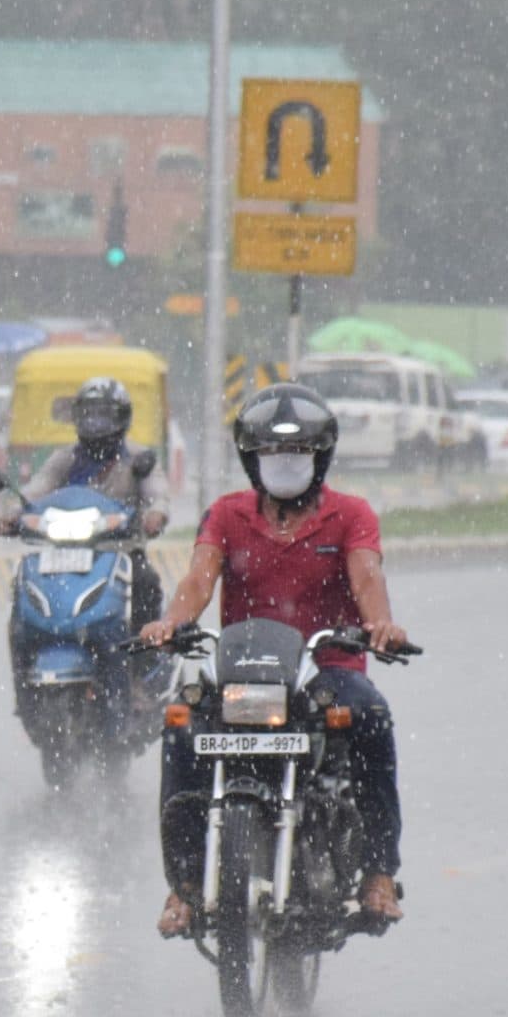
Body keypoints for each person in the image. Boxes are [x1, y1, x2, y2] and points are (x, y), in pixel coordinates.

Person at [135, 383, 412, 934]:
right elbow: (197, 579)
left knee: (372, 719)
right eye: (272, 454)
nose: (284, 465)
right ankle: (185, 887)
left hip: (327, 671)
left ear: (321, 457)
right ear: (251, 459)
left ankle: (378, 871)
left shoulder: (352, 515)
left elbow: (367, 577)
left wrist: (379, 624)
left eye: (297, 454)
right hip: (243, 671)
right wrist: (171, 622)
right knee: (180, 730)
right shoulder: (227, 514)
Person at [0, 375, 172, 624]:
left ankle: (146, 653)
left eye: (104, 415)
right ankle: (28, 651)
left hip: (120, 550)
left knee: (145, 582)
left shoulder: (139, 458)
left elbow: (158, 493)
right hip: (64, 552)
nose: (96, 423)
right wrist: (11, 514)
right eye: (89, 414)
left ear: (122, 417)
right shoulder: (66, 458)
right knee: (24, 583)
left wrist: (156, 515)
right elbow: (36, 490)